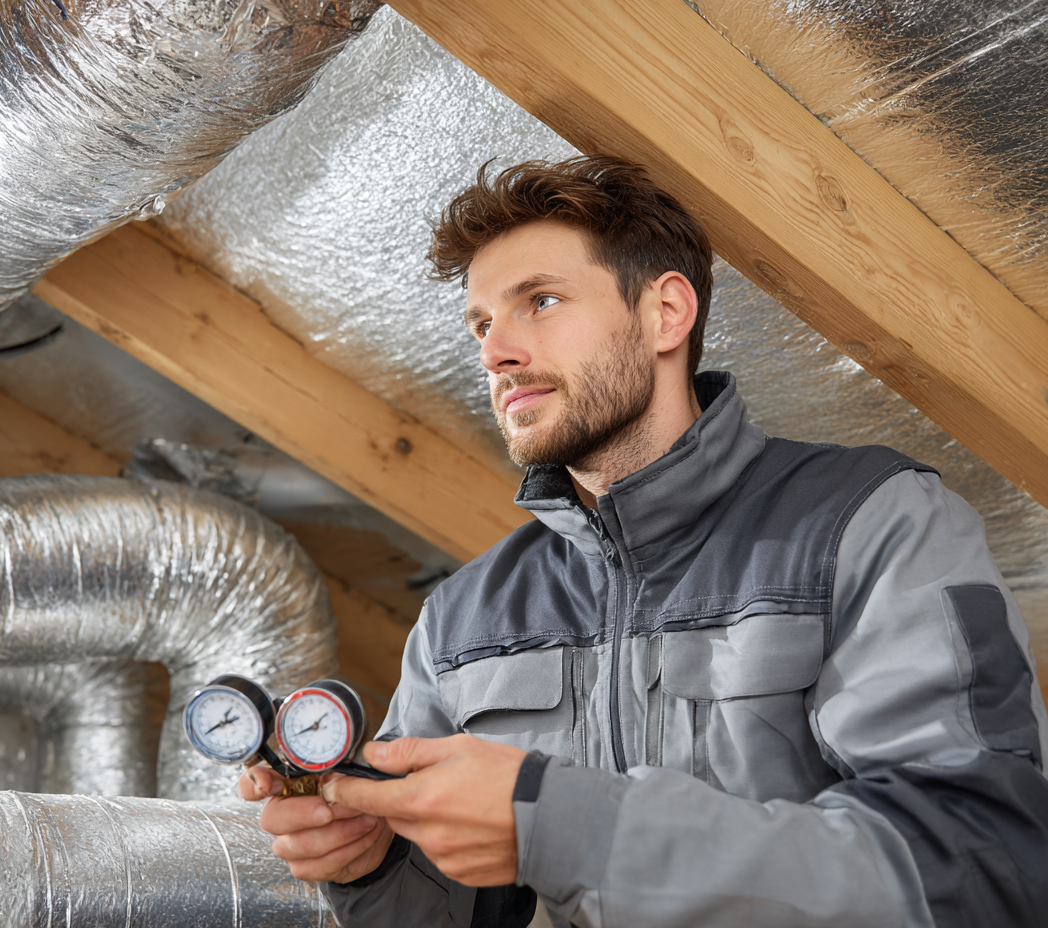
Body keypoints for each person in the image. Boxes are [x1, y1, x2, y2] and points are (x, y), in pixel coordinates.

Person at [240, 156, 1048, 927]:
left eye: (542, 301)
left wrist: (573, 825)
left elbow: (983, 867)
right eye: (482, 323)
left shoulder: (869, 522)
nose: (496, 352)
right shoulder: (460, 620)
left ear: (666, 312)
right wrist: (372, 864)